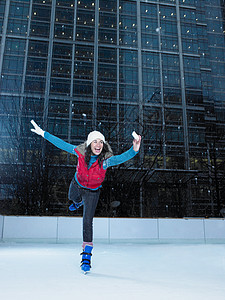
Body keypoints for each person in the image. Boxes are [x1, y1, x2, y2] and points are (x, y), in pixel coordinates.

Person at [30, 120, 141, 273]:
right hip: (77, 184)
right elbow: (61, 144)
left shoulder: (105, 161)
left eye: (101, 142)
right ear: (89, 144)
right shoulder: (80, 152)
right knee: (71, 197)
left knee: (87, 221)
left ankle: (86, 256)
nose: (98, 144)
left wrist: (134, 150)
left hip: (93, 192)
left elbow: (121, 158)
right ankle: (78, 201)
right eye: (95, 141)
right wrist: (43, 133)